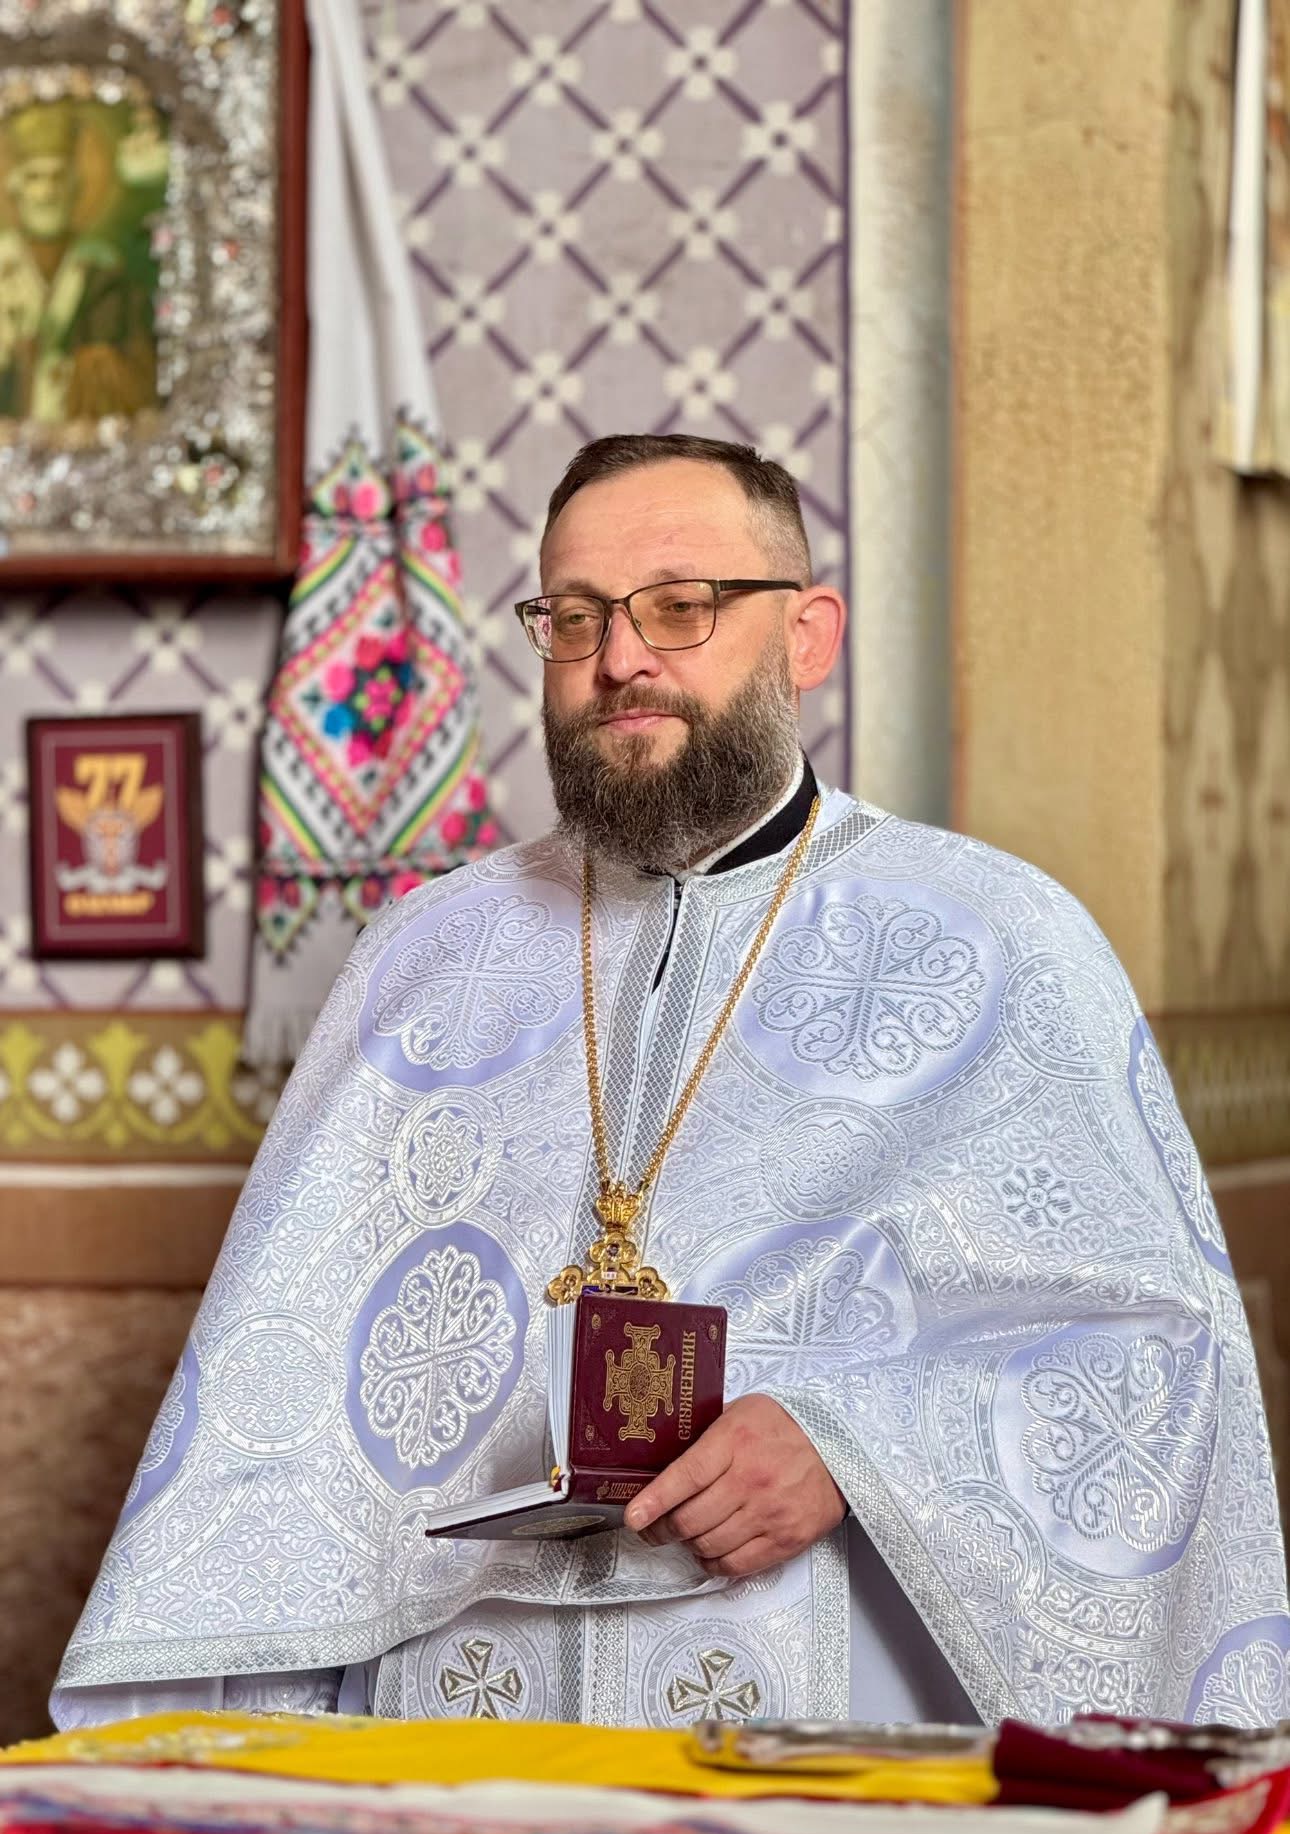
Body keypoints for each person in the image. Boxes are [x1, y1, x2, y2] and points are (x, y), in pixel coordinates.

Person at [53, 433, 1290, 1731]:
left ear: (807, 636)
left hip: (820, 1705)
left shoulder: (996, 942)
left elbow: (1155, 1356)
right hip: (456, 1715)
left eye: (681, 607)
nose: (620, 658)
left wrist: (849, 1447)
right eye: (574, 616)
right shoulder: (427, 960)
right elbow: (280, 1397)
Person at [0, 100, 158, 424]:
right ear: (14, 188)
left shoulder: (107, 271)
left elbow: (140, 378)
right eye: (34, 178)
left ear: (76, 186)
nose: (46, 192)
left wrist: (96, 369)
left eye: (57, 177)